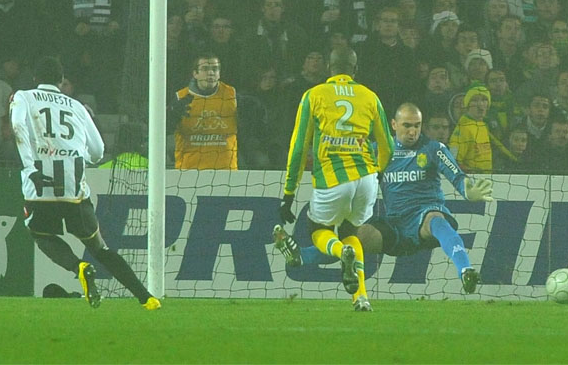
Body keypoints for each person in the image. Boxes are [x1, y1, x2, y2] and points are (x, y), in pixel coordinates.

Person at [274, 103, 492, 297]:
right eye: (407, 125)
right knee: (356, 238)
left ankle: (466, 270)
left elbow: (458, 177)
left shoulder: (434, 149)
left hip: (423, 217)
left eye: (417, 126)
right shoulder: (378, 151)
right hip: (394, 225)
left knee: (436, 219)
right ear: (394, 125)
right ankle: (301, 256)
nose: (413, 131)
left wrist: (469, 191)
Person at [10, 56, 160, 310]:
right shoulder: (77, 106)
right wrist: (77, 155)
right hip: (74, 189)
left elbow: (17, 126)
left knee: (41, 234)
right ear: (61, 80)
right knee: (99, 247)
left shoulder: (24, 97)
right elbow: (98, 150)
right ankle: (147, 297)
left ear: (35, 78)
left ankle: (78, 267)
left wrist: (30, 166)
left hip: (39, 185)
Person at [276, 47, 394, 311]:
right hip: (366, 178)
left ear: (329, 68)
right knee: (351, 232)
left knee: (318, 229)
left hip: (332, 178)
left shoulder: (314, 95)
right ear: (355, 69)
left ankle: (341, 252)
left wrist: (289, 193)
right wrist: (377, 171)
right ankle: (361, 297)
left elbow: (299, 147)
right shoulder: (370, 96)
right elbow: (388, 146)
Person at [168, 53, 239, 170]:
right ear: (195, 74)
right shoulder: (180, 98)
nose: (210, 73)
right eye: (205, 69)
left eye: (215, 69)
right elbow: (165, 131)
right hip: (188, 171)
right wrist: (171, 115)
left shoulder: (232, 95)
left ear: (219, 73)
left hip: (226, 171)